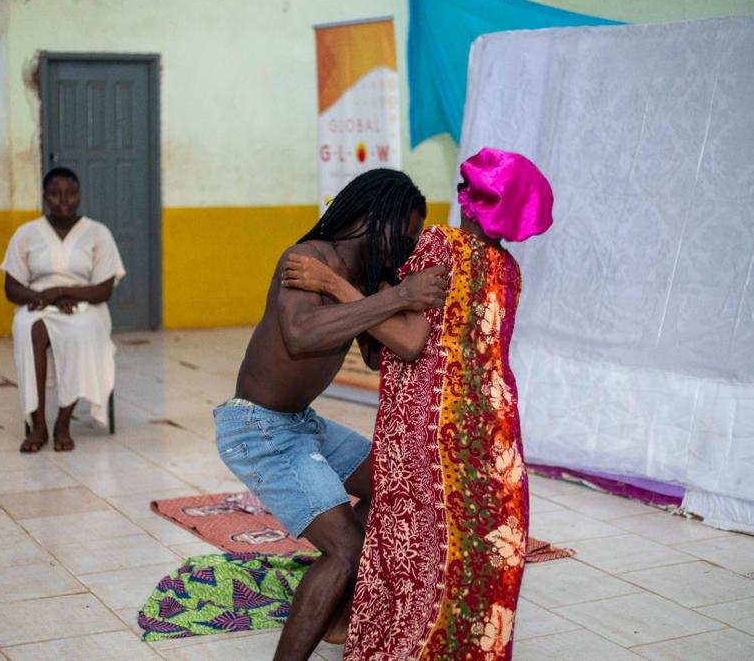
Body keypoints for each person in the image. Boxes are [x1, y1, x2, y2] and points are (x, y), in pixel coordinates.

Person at [281, 148, 553, 659]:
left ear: (466, 200)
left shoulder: (438, 243)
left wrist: (333, 284)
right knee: (473, 552)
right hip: (493, 433)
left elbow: (408, 337)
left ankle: (396, 647)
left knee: (409, 543)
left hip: (431, 428)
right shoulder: (509, 272)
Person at [213, 168, 448, 660]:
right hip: (257, 425)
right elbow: (300, 337)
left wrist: (379, 298)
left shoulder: (367, 280)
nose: (405, 248)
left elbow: (394, 348)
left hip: (302, 423)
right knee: (345, 548)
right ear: (370, 217)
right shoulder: (306, 258)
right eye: (402, 233)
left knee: (395, 483)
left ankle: (338, 616)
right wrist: (399, 297)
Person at [0, 167, 126, 453]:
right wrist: (45, 297)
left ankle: (63, 423)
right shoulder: (27, 233)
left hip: (85, 305)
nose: (64, 200)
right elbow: (11, 288)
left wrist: (61, 292)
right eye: (55, 194)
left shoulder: (98, 233)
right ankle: (38, 423)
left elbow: (103, 289)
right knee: (30, 328)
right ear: (45, 196)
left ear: (79, 194)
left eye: (70, 193)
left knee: (78, 330)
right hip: (37, 302)